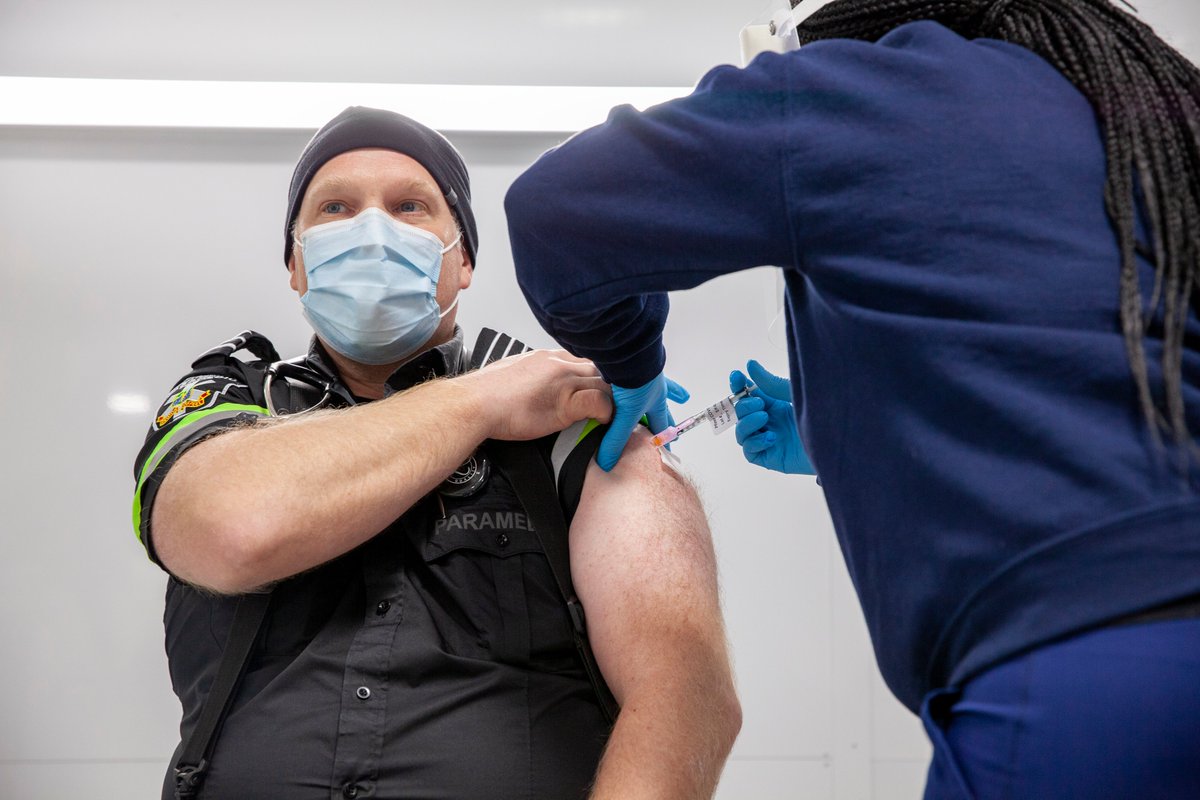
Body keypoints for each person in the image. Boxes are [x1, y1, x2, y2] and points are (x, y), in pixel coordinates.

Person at [504, 1, 1200, 797]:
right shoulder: (1151, 103)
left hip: (1088, 684)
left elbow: (555, 214)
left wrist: (630, 362)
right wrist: (850, 437)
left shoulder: (859, 92)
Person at [131, 106, 741, 800]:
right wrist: (479, 401)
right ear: (295, 265)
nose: (371, 229)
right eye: (335, 206)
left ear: (465, 262)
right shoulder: (230, 398)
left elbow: (683, 693)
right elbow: (227, 527)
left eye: (410, 206)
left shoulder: (568, 424)